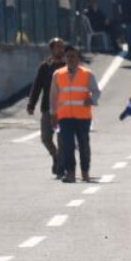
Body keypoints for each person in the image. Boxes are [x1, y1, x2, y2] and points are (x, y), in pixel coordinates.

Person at [49, 45, 101, 183]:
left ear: (78, 58)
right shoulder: (58, 74)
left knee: (84, 145)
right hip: (64, 117)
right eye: (68, 56)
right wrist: (53, 113)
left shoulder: (87, 74)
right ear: (65, 58)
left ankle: (85, 171)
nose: (71, 59)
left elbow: (96, 91)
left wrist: (91, 99)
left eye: (73, 56)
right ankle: (70, 173)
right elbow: (53, 96)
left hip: (83, 117)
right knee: (67, 146)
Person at [26, 37, 66, 178]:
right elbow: (37, 86)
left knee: (62, 139)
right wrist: (31, 104)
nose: (61, 50)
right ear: (52, 49)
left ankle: (61, 166)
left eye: (62, 47)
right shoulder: (45, 67)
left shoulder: (68, 66)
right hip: (47, 109)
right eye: (58, 47)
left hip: (64, 110)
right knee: (45, 138)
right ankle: (56, 156)